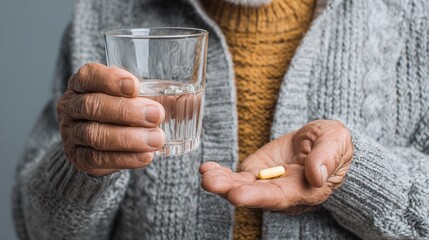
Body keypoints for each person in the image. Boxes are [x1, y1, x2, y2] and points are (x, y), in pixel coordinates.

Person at [13, 0, 429, 239]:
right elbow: (36, 229)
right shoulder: (103, 14)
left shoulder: (411, 16)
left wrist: (356, 176)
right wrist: (82, 167)